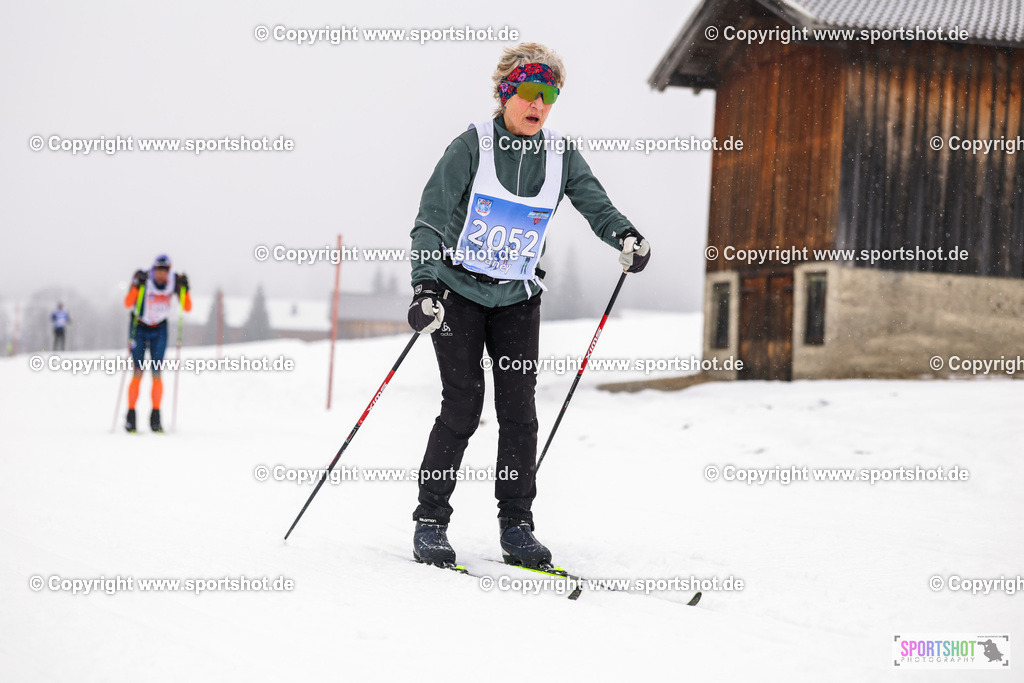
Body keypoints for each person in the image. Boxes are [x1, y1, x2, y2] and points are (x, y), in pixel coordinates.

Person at [408, 43, 651, 568]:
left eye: (549, 94)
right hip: (458, 294)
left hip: (517, 296)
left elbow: (595, 204)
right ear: (505, 93)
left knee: (519, 413)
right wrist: (425, 286)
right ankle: (430, 521)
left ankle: (516, 526)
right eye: (529, 91)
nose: (538, 103)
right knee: (463, 406)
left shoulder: (562, 154)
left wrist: (624, 236)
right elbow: (430, 218)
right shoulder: (471, 145)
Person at [123, 255, 191, 433]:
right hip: (139, 326)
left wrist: (185, 289)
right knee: (138, 372)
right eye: (159, 270)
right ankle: (131, 416)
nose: (162, 274)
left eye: (165, 270)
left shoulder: (173, 282)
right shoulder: (144, 279)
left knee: (156, 372)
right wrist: (137, 286)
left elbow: (187, 307)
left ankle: (155, 417)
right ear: (154, 269)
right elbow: (128, 302)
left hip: (159, 329)